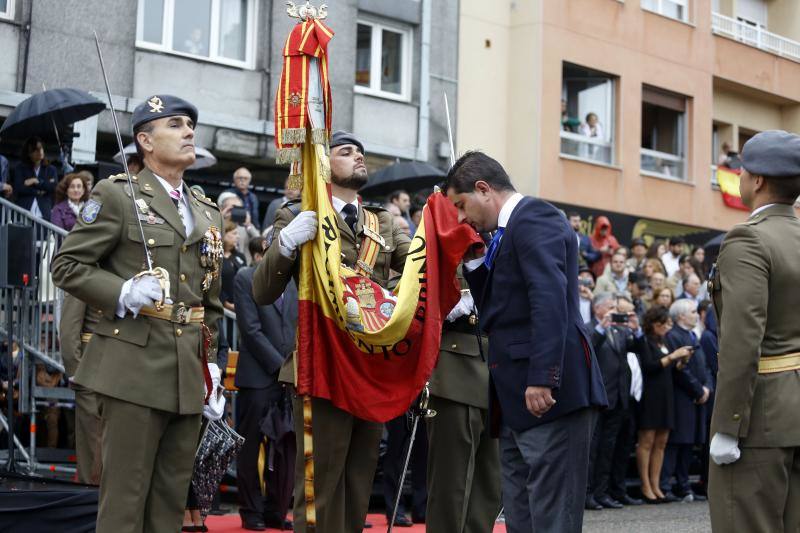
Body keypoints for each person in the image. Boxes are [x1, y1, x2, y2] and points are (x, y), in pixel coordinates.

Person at [51, 94, 226, 533]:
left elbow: (210, 300)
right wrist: (123, 290)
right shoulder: (117, 195)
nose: (189, 131)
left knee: (169, 503)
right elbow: (66, 266)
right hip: (132, 367)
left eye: (190, 124)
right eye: (175, 124)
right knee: (125, 501)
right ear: (145, 141)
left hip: (187, 373)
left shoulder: (205, 211)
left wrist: (210, 364)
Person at [252, 131, 411, 533]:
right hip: (321, 364)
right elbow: (263, 291)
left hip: (369, 366)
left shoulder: (384, 221)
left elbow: (414, 274)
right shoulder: (298, 214)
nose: (358, 156)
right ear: (324, 166)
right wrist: (285, 244)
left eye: (361, 151)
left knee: (359, 482)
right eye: (346, 151)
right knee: (319, 484)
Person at [445, 151, 607, 533]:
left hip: (548, 392)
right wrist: (474, 265)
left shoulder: (534, 217)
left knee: (552, 520)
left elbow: (548, 298)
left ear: (483, 189)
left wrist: (543, 375)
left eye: (461, 205)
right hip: (515, 396)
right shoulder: (503, 233)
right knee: (522, 517)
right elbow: (497, 312)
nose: (461, 217)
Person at [707, 130, 800, 532]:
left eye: (742, 170)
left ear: (757, 180)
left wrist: (728, 425)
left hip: (759, 418)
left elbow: (742, 342)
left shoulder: (749, 239)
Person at [425, 283, 501, 532]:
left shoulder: (507, 242)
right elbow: (401, 283)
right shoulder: (431, 241)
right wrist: (442, 301)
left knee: (488, 485)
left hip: (500, 369)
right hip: (456, 368)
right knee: (452, 485)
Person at [234, 236, 297, 531]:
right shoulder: (246, 277)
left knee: (286, 448)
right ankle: (251, 511)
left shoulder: (296, 282)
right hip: (258, 378)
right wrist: (281, 366)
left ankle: (277, 509)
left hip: (289, 380)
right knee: (250, 448)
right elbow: (250, 330)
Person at [585, 293, 639, 511]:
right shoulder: (589, 328)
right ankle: (588, 494)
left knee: (609, 450)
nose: (613, 310)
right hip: (598, 398)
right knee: (592, 451)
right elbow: (589, 350)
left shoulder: (618, 329)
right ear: (598, 308)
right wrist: (601, 328)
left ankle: (603, 492)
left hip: (618, 398)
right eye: (610, 306)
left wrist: (636, 329)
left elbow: (635, 349)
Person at [635, 306, 691, 503]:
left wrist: (681, 362)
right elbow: (650, 367)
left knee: (661, 443)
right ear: (653, 324)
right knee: (647, 441)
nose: (666, 327)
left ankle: (656, 484)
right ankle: (645, 485)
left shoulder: (664, 341)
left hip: (667, 395)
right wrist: (672, 357)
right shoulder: (644, 341)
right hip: (650, 396)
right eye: (662, 324)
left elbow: (673, 370)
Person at [660, 299, 711, 503]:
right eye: (692, 311)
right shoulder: (673, 336)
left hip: (697, 397)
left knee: (689, 443)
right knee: (676, 443)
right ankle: (666, 485)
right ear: (680, 315)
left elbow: (705, 364)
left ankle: (684, 485)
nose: (696, 314)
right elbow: (680, 371)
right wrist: (698, 390)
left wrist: (707, 387)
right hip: (682, 397)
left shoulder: (692, 335)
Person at [59, 293, 102, 485]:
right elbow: (69, 327)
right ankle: (91, 505)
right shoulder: (86, 271)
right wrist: (76, 371)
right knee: (93, 447)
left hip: (122, 371)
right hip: (91, 370)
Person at [13, 136, 58, 220]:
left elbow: (53, 187)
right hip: (24, 209)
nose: (40, 151)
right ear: (29, 153)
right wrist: (38, 191)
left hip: (44, 210)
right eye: (36, 150)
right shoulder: (20, 168)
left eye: (41, 148)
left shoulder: (51, 169)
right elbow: (19, 188)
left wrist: (36, 181)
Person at [218, 191, 260, 264]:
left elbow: (259, 242)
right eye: (232, 208)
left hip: (243, 266)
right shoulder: (220, 226)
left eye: (239, 208)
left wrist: (249, 224)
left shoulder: (245, 228)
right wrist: (221, 216)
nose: (235, 211)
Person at [220, 220, 247, 312]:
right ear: (223, 234)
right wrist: (226, 304)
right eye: (234, 233)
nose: (238, 236)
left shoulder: (240, 256)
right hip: (223, 309)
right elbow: (214, 284)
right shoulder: (215, 258)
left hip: (242, 306)